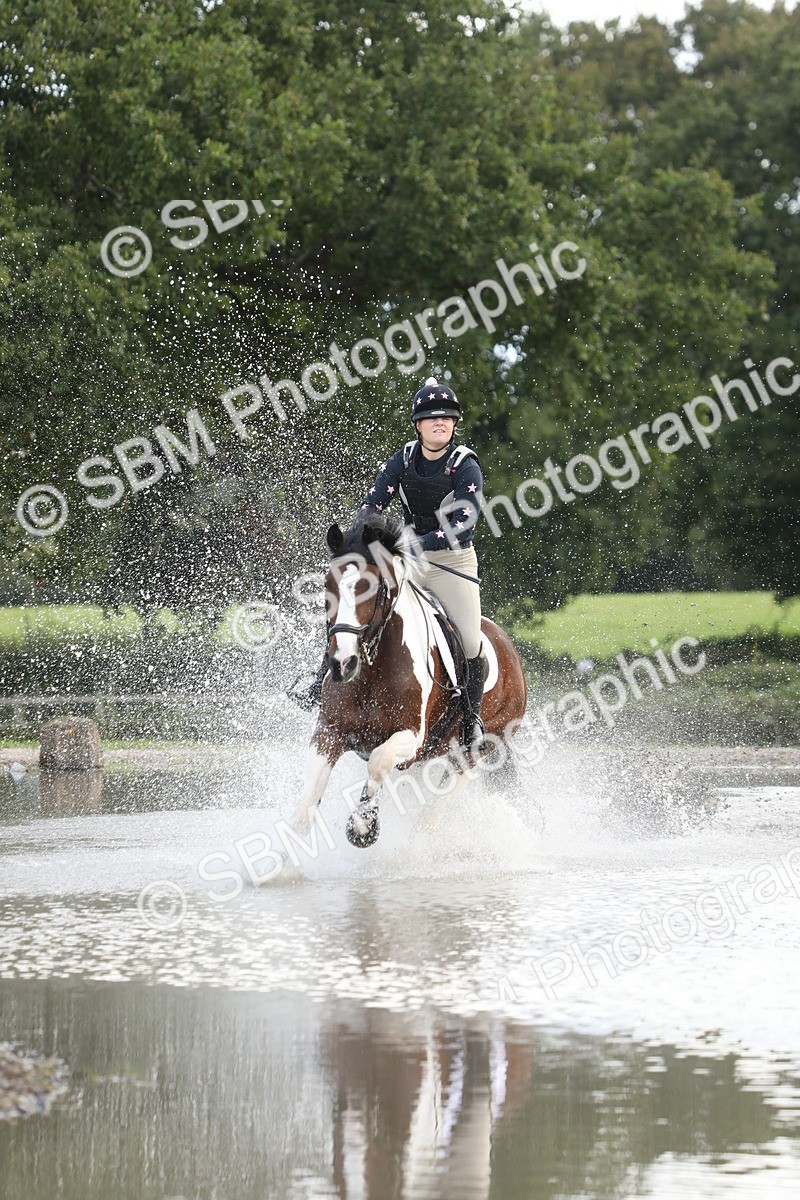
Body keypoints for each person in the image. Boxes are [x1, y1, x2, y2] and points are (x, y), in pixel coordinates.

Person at [288, 377, 487, 751]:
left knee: (471, 642)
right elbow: (372, 505)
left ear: (455, 424)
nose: (439, 422)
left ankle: (472, 721)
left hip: (452, 560)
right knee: (358, 605)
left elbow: (463, 525)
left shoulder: (465, 465)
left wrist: (409, 545)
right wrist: (360, 542)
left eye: (446, 417)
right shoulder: (403, 459)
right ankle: (321, 682)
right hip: (404, 558)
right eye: (430, 418)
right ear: (418, 424)